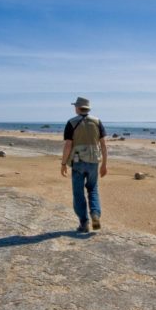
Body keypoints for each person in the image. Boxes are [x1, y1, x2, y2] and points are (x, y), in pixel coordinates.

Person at [61, 97, 108, 233]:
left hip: (78, 162)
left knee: (78, 192)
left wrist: (63, 163)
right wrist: (104, 164)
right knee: (93, 189)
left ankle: (84, 222)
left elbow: (68, 145)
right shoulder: (97, 122)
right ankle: (95, 214)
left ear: (77, 108)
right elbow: (103, 145)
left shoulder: (71, 122)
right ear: (87, 108)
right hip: (94, 162)